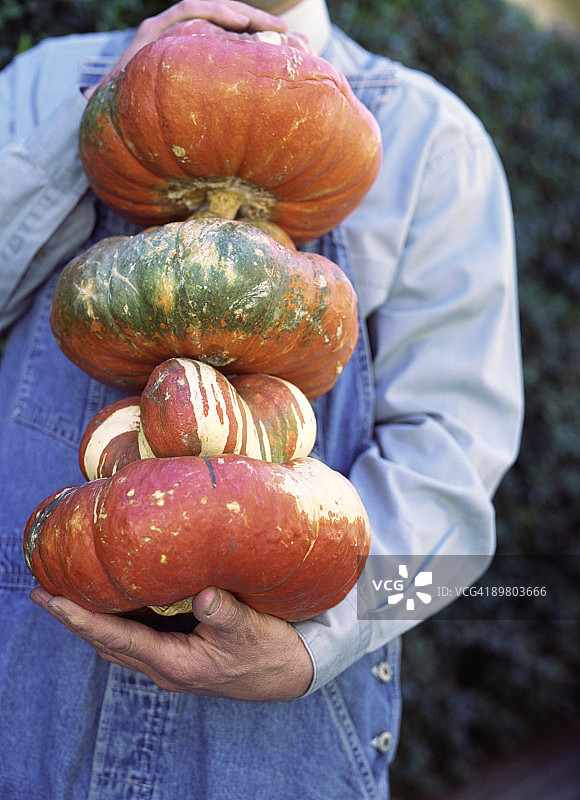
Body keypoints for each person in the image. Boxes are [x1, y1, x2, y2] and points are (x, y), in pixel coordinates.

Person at [0, 0, 523, 797]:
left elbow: (457, 496)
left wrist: (322, 642)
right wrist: (106, 114)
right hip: (24, 706)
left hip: (281, 751)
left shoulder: (431, 139)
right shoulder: (46, 84)